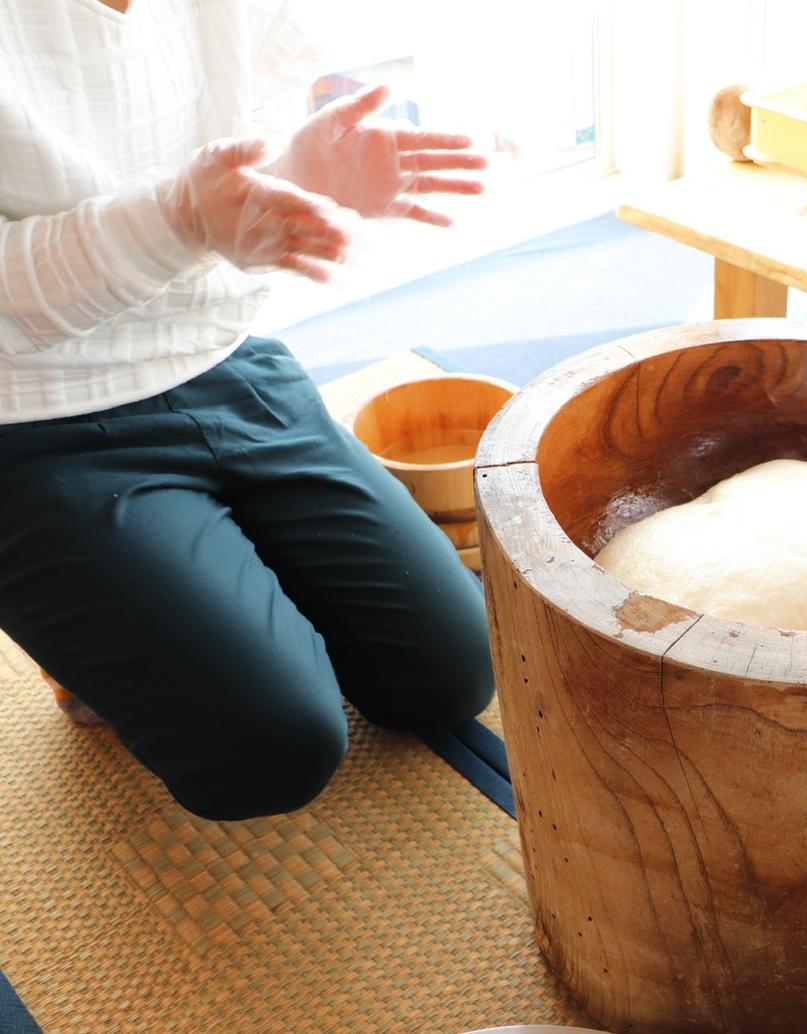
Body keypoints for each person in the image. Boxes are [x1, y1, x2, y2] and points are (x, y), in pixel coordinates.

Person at [0, 0, 496, 820]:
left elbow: (222, 164)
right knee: (271, 753)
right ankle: (88, 638)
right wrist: (177, 220)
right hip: (28, 417)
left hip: (224, 359)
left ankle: (169, 603)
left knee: (451, 676)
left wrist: (300, 176)